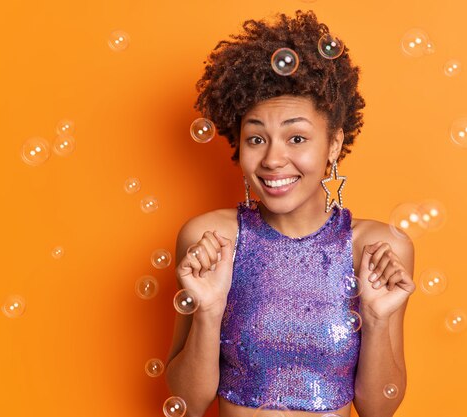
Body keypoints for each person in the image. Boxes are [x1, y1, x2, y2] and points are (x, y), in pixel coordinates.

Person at [165, 10, 416, 417]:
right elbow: (187, 405)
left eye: (296, 137)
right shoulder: (211, 241)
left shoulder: (376, 249)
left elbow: (378, 409)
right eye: (256, 138)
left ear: (333, 144)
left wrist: (375, 317)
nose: (273, 159)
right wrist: (209, 313)